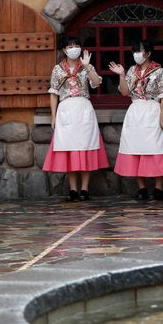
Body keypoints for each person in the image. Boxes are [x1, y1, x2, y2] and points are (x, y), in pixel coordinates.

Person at [42, 37, 109, 201]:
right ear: (64, 50)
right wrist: (53, 116)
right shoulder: (58, 69)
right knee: (69, 149)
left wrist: (87, 66)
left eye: (76, 45)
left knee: (85, 147)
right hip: (65, 109)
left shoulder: (86, 66)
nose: (73, 48)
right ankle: (73, 189)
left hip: (84, 108)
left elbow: (96, 84)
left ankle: (85, 189)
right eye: (70, 46)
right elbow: (53, 93)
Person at [109, 40, 163, 199]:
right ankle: (142, 188)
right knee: (136, 148)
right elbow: (125, 93)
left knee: (155, 149)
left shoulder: (159, 71)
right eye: (134, 51)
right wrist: (121, 75)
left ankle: (159, 187)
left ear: (149, 53)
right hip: (135, 111)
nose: (136, 55)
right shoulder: (132, 70)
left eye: (139, 51)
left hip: (153, 109)